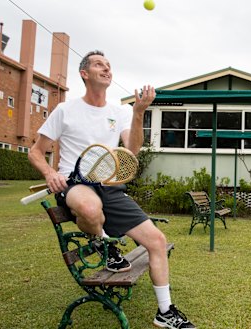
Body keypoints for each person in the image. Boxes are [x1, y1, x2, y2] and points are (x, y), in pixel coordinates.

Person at [28, 50, 196, 329]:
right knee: (90, 208)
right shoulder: (65, 110)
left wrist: (139, 112)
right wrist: (49, 173)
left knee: (156, 240)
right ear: (84, 73)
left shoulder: (120, 111)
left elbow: (131, 150)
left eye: (108, 66)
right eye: (98, 65)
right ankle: (106, 244)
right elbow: (35, 152)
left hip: (109, 185)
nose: (106, 69)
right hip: (75, 182)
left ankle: (165, 312)